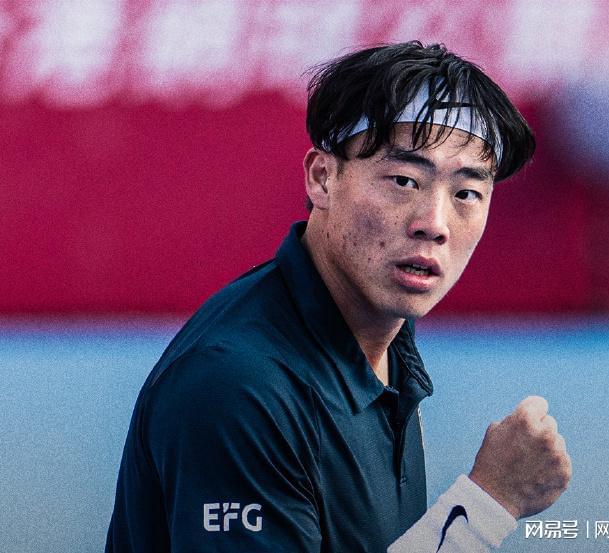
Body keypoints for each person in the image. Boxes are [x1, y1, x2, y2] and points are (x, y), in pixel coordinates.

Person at [106, 41, 571, 552]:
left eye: (466, 193)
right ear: (323, 178)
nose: (434, 224)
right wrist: (485, 507)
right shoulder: (238, 388)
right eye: (404, 181)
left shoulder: (385, 334)